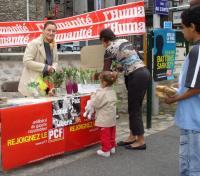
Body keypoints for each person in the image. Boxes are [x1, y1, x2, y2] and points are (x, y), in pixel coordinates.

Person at [99, 28, 150, 150]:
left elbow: (105, 71)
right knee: (133, 107)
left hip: (136, 76)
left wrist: (101, 82)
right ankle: (133, 136)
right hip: (144, 73)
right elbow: (138, 58)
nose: (102, 44)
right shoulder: (125, 41)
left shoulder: (109, 49)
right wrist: (121, 68)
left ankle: (141, 140)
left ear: (104, 40)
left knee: (134, 109)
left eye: (102, 41)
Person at [165, 6, 200, 176]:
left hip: (194, 119)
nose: (182, 31)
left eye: (183, 27)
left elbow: (197, 88)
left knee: (191, 167)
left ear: (193, 27)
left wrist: (174, 98)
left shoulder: (196, 50)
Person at [18, 21, 58, 96]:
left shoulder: (54, 44)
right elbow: (26, 61)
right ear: (43, 31)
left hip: (44, 83)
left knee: (44, 103)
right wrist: (45, 67)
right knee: (34, 106)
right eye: (49, 30)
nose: (51, 33)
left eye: (53, 31)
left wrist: (53, 68)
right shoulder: (34, 43)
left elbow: (55, 61)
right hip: (32, 83)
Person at [90, 71, 118, 157]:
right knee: (112, 133)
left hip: (104, 119)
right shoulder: (112, 91)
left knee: (105, 135)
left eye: (100, 81)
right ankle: (112, 147)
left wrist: (93, 95)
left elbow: (95, 103)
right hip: (112, 118)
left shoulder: (102, 93)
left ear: (104, 82)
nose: (99, 83)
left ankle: (106, 150)